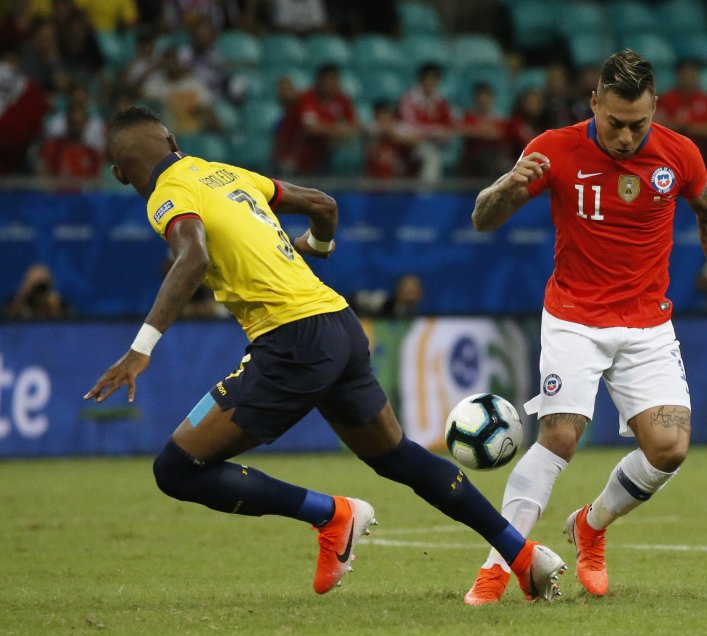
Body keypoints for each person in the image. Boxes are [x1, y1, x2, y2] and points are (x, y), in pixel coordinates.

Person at [83, 107, 565, 601]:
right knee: (397, 455)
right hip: (340, 323)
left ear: (120, 174)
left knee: (176, 469)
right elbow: (322, 203)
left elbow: (194, 255)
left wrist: (140, 350)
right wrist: (316, 245)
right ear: (172, 139)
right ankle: (524, 556)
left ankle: (332, 515)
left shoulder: (167, 194)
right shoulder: (222, 172)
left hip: (293, 342)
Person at [463, 49, 707, 604]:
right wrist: (506, 185)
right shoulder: (553, 149)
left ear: (655, 108)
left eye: (639, 124)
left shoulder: (679, 154)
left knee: (669, 449)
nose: (626, 137)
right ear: (594, 103)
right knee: (560, 436)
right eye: (614, 123)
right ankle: (496, 568)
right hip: (573, 318)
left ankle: (590, 526)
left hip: (646, 323)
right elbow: (483, 219)